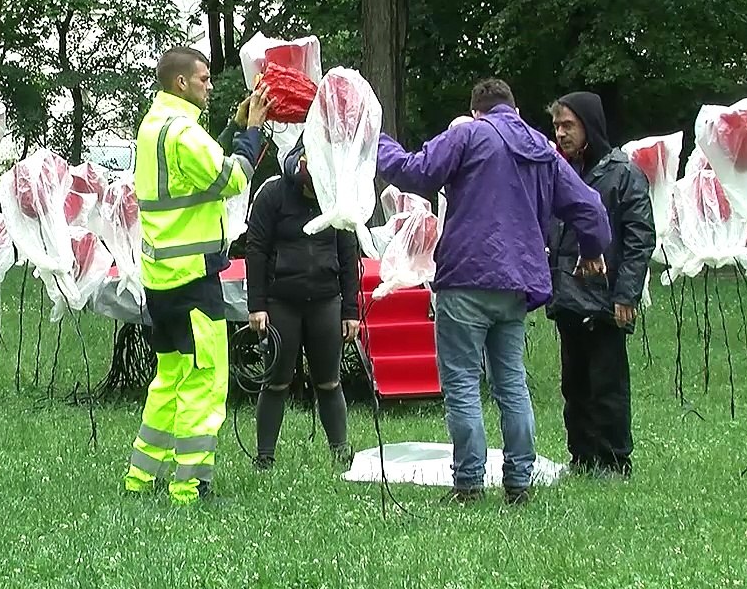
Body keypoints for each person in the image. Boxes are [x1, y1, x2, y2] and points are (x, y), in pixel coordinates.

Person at [375, 78, 612, 505]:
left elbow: (414, 172)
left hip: (467, 277)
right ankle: (519, 481)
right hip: (518, 284)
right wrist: (593, 248)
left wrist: (373, 137)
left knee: (464, 383)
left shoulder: (468, 133)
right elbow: (590, 205)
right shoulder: (542, 148)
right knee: (511, 385)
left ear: (477, 110)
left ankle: (468, 482)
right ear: (515, 110)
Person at [123, 47, 271, 504]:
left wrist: (232, 126)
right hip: (192, 279)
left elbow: (200, 167)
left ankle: (141, 475)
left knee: (170, 377)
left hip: (162, 278)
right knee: (205, 381)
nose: (210, 84)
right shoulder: (183, 131)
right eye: (204, 78)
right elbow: (229, 178)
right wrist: (252, 133)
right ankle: (189, 484)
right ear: (181, 83)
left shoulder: (155, 125)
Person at [547, 92, 655, 479]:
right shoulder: (559, 172)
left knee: (606, 383)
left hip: (607, 298)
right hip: (567, 296)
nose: (561, 134)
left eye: (568, 126)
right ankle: (582, 456)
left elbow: (640, 237)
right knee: (574, 385)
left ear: (588, 126)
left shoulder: (623, 173)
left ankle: (613, 459)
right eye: (557, 127)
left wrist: (626, 293)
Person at [245, 138, 361, 470]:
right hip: (281, 301)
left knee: (329, 380)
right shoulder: (272, 195)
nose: (317, 197)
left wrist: (351, 310)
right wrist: (257, 305)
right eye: (314, 191)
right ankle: (264, 456)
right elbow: (256, 250)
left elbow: (348, 253)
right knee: (276, 381)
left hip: (326, 300)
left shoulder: (335, 195)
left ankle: (340, 451)